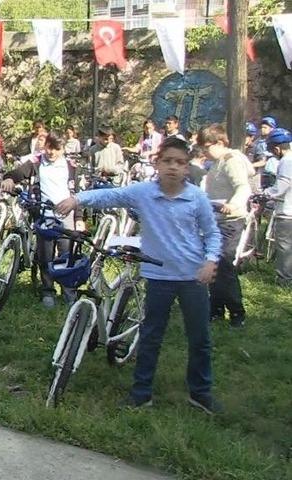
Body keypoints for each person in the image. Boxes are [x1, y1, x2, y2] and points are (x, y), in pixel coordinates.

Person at [55, 136, 222, 414]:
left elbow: (213, 233)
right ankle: (141, 392)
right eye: (167, 161)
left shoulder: (197, 198)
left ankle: (200, 392)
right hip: (158, 277)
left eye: (180, 163)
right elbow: (110, 195)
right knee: (151, 336)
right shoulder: (144, 192)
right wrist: (77, 199)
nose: (173, 167)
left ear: (187, 168)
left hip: (192, 278)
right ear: (157, 163)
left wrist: (210, 260)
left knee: (199, 338)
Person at [1, 133, 82, 307]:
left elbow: (78, 195)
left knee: (66, 254)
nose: (51, 152)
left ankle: (68, 291)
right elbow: (17, 173)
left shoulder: (71, 167)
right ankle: (48, 290)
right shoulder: (36, 163)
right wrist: (8, 179)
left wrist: (80, 218)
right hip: (45, 214)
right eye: (49, 147)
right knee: (45, 255)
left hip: (66, 214)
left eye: (56, 149)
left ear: (63, 150)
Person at [198, 124, 252, 328]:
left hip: (230, 222)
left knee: (224, 266)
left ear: (220, 143)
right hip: (216, 221)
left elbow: (243, 186)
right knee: (213, 264)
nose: (204, 152)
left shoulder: (232, 160)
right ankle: (216, 309)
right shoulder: (217, 162)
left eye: (206, 147)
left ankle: (237, 312)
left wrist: (233, 204)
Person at [261, 128, 292, 285]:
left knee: (284, 247)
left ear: (277, 148)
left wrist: (265, 193)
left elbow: (281, 187)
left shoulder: (286, 162)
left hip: (287, 212)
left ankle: (284, 280)